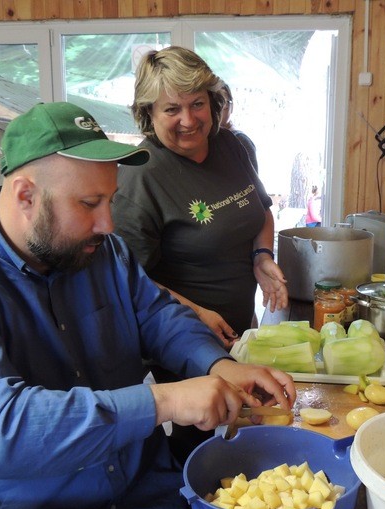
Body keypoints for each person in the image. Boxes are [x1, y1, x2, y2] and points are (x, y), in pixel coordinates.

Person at [0, 101, 296, 509]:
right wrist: (165, 402)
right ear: (25, 195)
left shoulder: (103, 253)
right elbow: (0, 431)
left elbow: (157, 316)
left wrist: (219, 366)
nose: (107, 223)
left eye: (111, 200)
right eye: (89, 203)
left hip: (149, 502)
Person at [112, 46, 288, 349]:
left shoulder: (229, 145)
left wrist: (261, 257)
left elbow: (261, 210)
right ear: (148, 113)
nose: (189, 120)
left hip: (239, 331)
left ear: (213, 102)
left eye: (197, 104)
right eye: (171, 109)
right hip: (182, 339)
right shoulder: (141, 174)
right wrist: (195, 314)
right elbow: (125, 277)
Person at [219, 83, 259, 172]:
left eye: (223, 103)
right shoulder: (210, 140)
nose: (218, 110)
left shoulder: (241, 141)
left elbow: (253, 184)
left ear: (231, 106)